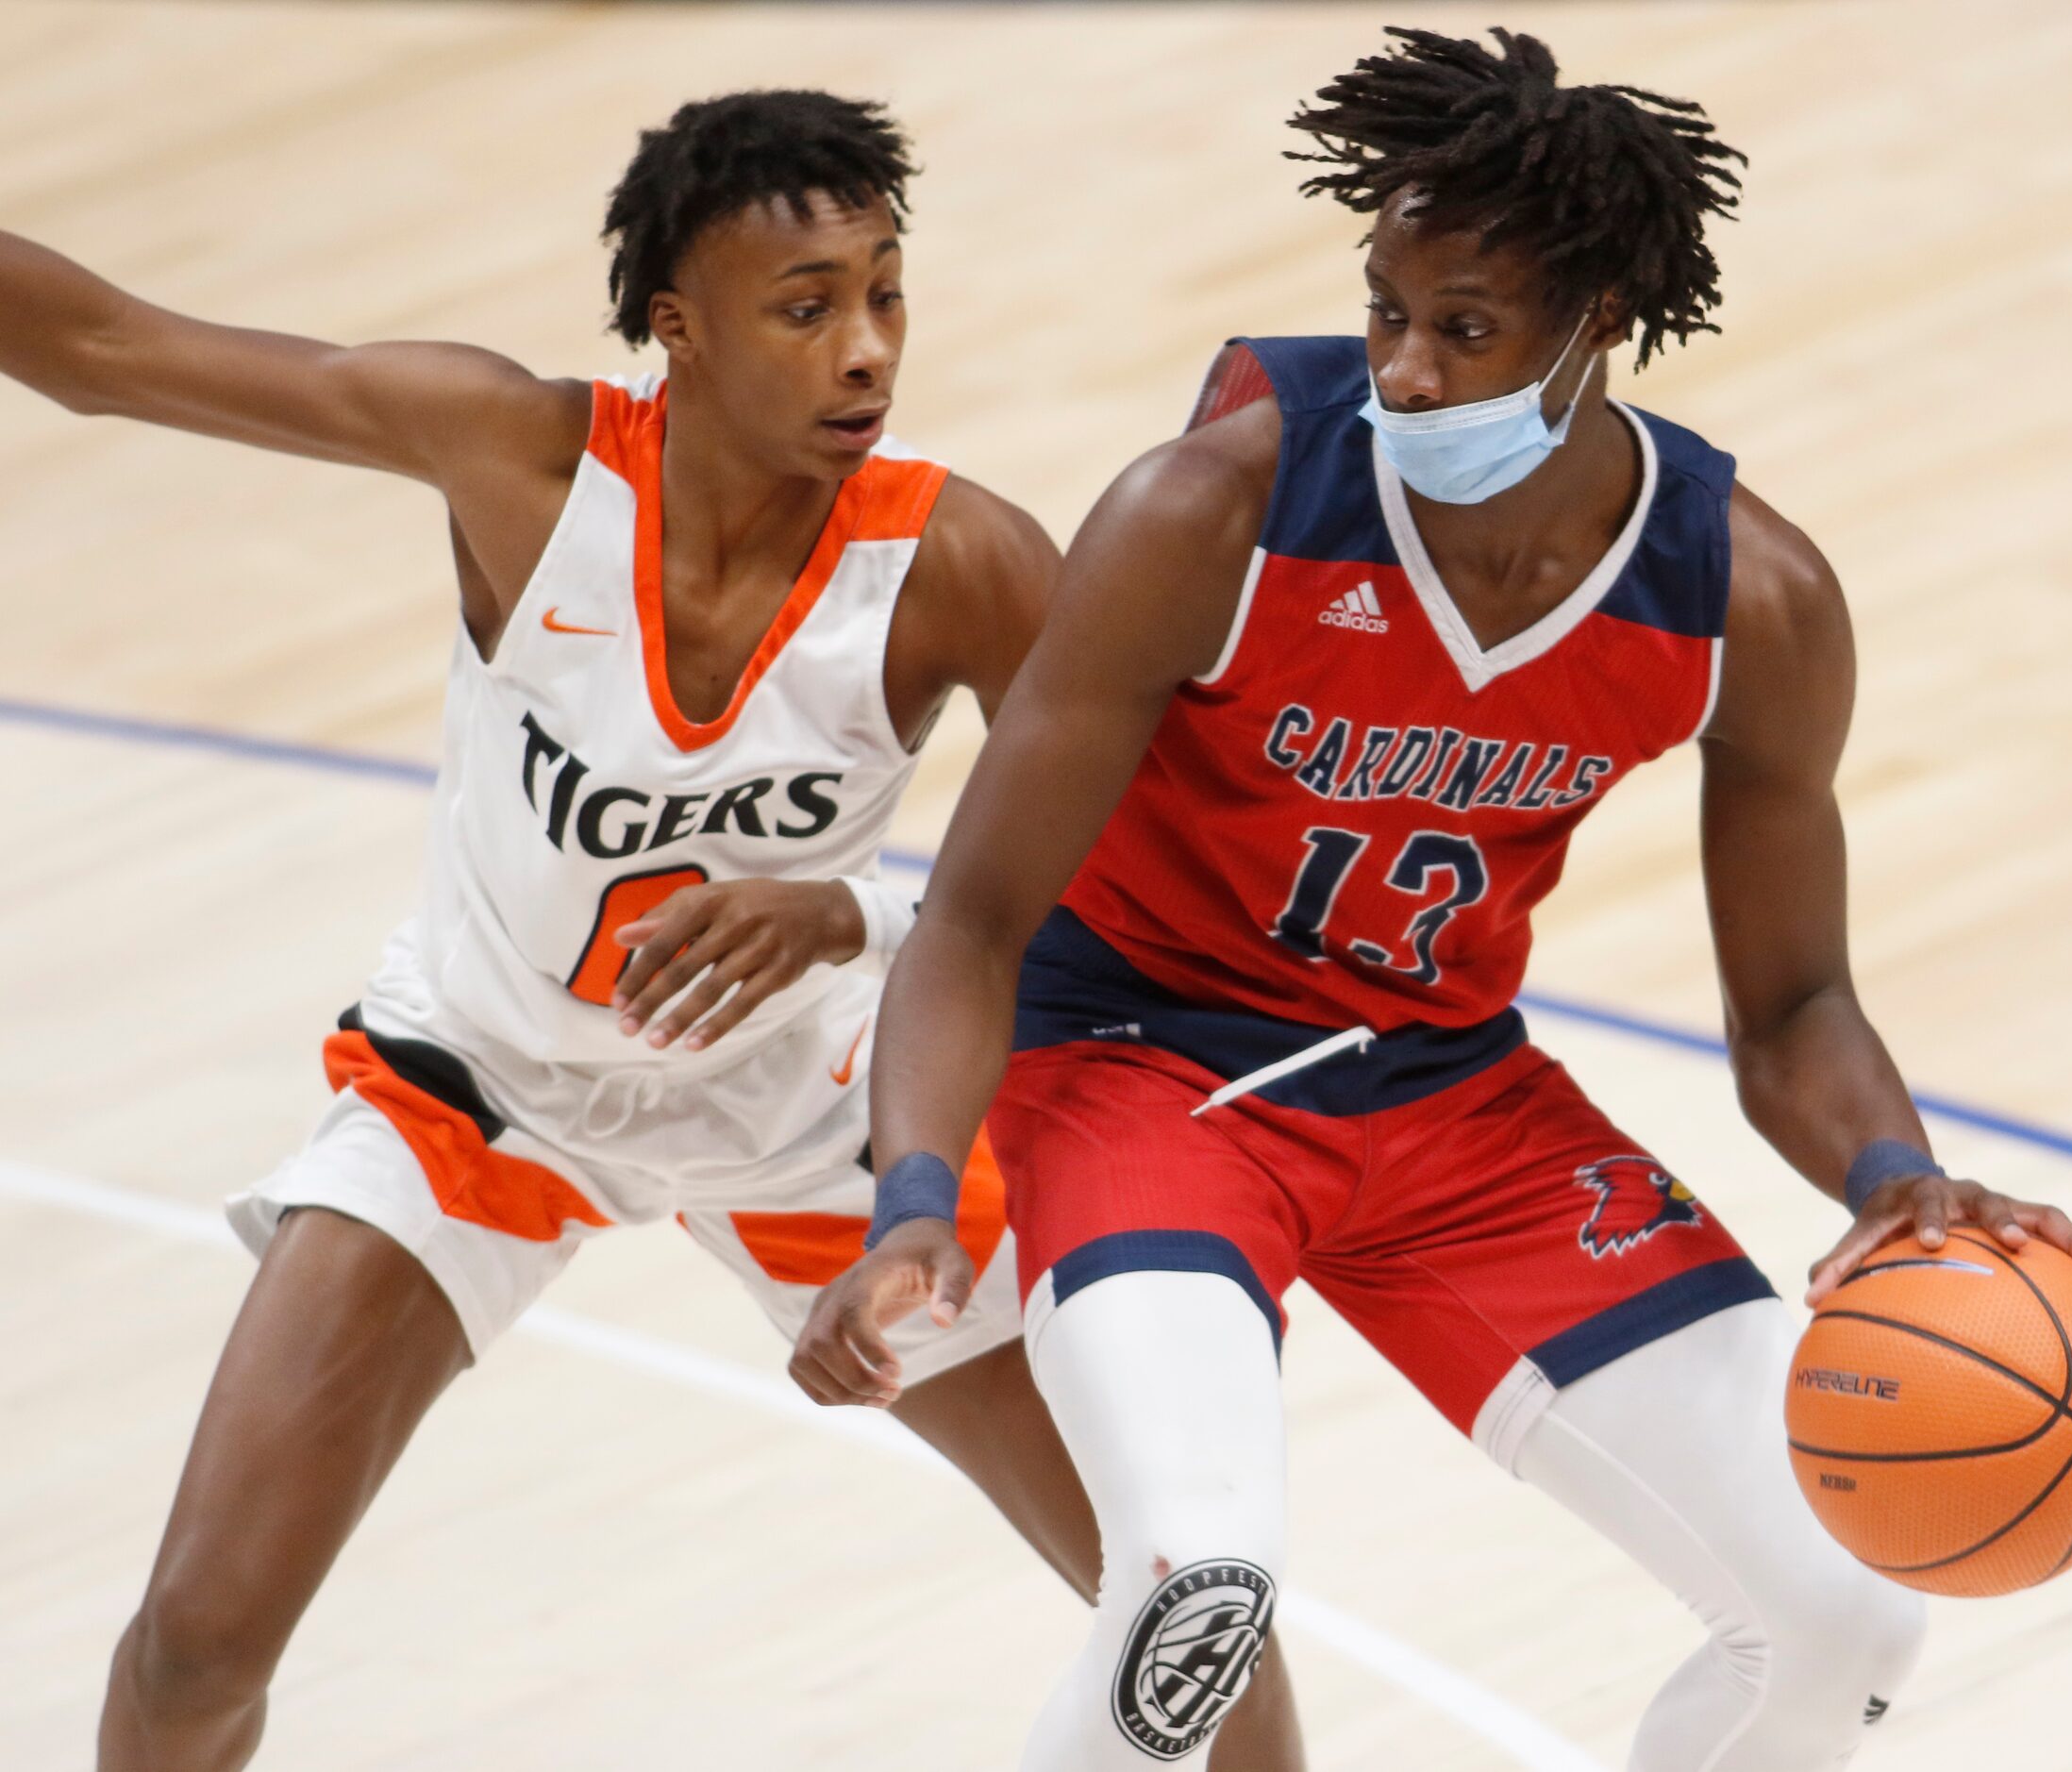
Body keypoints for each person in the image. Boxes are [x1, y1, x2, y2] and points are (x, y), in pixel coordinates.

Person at [795, 29, 2072, 1770]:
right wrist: (910, 1197)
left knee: (1843, 1614)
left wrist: (1898, 1176)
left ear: (1599, 328)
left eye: (1466, 328)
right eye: (1386, 314)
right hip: (1144, 1071)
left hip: (1449, 1099)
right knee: (1202, 1587)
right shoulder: (1217, 509)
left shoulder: (1749, 600)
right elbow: (967, 921)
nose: (1406, 373)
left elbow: (1794, 1006)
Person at [0, 90, 1299, 1771]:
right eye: (808, 305)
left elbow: (1160, 875)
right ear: (675, 330)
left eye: (888, 294)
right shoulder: (515, 457)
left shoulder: (959, 560)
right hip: (482, 1088)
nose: (866, 352)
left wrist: (855, 911)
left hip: (812, 1118)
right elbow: (104, 346)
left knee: (1178, 1599)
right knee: (196, 1642)